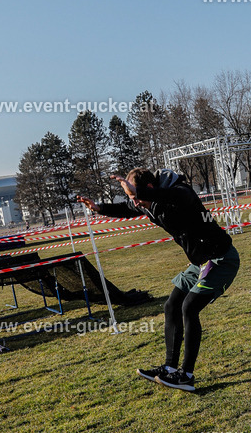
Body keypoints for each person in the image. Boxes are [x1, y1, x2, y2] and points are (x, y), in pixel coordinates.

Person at [77, 167, 239, 392]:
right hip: (199, 263)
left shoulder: (181, 192)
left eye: (136, 196)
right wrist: (100, 208)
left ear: (149, 188)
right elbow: (128, 208)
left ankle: (187, 376)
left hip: (220, 260)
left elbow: (170, 196)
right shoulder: (150, 202)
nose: (135, 202)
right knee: (171, 305)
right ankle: (170, 369)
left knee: (189, 307)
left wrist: (139, 192)